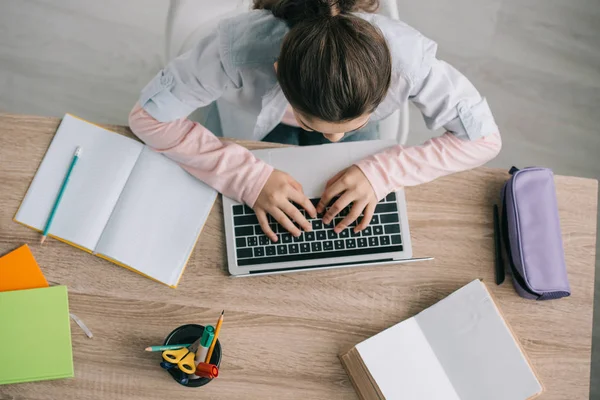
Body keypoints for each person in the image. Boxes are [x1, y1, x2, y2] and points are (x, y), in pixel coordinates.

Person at [128, 0, 501, 243]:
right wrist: (246, 177)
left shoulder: (409, 60)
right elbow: (146, 118)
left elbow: (484, 140)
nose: (335, 140)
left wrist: (385, 173)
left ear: (387, 80)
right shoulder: (232, 51)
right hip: (248, 127)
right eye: (314, 125)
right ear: (279, 74)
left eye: (351, 125)